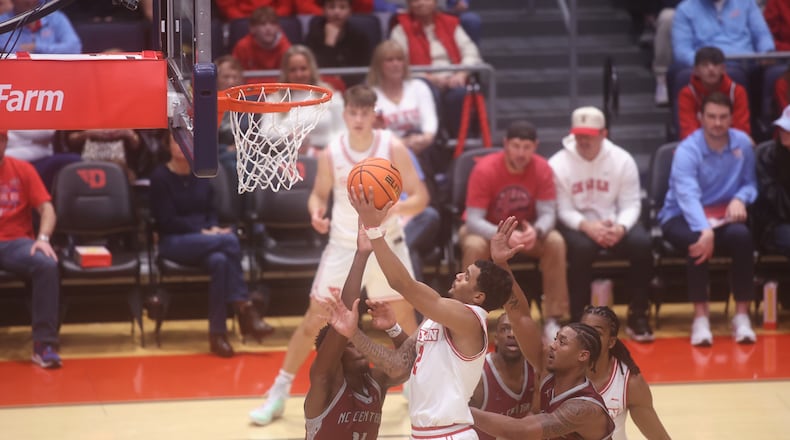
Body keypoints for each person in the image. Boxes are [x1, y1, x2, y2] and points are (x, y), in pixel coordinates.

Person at [248, 84, 429, 426]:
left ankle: (417, 387)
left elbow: (421, 198)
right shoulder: (331, 152)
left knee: (406, 321)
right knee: (314, 320)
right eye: (353, 112)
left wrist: (393, 208)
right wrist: (315, 212)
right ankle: (279, 391)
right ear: (345, 114)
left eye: (365, 112)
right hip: (344, 246)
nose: (359, 118)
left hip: (386, 245)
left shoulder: (393, 147)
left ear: (375, 114)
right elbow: (317, 196)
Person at [317, 184, 514, 440]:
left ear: (479, 297)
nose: (458, 275)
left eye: (466, 277)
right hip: (424, 434)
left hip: (451, 434)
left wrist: (374, 229)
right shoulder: (437, 319)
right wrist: (385, 330)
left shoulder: (470, 319)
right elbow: (397, 367)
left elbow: (404, 285)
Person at [470, 216, 615, 440]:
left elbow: (520, 431)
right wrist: (500, 265)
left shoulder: (583, 408)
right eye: (556, 339)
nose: (553, 345)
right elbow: (520, 318)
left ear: (582, 355)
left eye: (562, 342)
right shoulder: (549, 371)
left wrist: (458, 408)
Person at [149, 132, 274, 358]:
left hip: (206, 241)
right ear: (167, 145)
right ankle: (244, 308)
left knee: (220, 261)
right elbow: (166, 221)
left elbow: (211, 211)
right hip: (173, 242)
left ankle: (218, 336)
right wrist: (204, 232)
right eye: (175, 141)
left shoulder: (201, 175)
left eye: (185, 141)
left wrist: (212, 229)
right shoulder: (160, 177)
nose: (180, 146)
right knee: (229, 240)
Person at [658, 92, 758, 347]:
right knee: (697, 242)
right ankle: (700, 318)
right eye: (711, 116)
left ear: (731, 118)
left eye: (723, 117)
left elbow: (751, 183)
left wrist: (740, 198)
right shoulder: (687, 150)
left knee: (743, 237)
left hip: (723, 215)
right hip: (680, 215)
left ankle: (742, 316)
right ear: (701, 117)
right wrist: (704, 228)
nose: (717, 122)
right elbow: (687, 195)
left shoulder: (743, 144)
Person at [548, 106, 655, 342]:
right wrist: (587, 226)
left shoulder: (622, 160)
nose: (583, 140)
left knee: (642, 244)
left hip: (614, 221)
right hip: (579, 225)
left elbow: (632, 204)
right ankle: (579, 320)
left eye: (589, 134)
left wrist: (621, 227)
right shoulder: (558, 163)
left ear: (603, 133)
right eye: (579, 134)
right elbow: (562, 209)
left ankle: (638, 314)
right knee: (581, 249)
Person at [462, 120, 569, 343]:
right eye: (516, 146)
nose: (521, 153)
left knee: (555, 241)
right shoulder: (485, 169)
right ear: (506, 145)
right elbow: (473, 220)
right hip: (488, 231)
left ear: (535, 146)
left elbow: (548, 212)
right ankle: (468, 316)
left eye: (527, 147)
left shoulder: (542, 168)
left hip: (525, 233)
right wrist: (502, 235)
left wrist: (538, 230)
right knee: (472, 245)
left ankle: (552, 320)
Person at [305, 224, 408, 439]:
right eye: (351, 345)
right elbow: (344, 322)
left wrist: (393, 329)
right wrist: (361, 255)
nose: (360, 349)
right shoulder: (325, 384)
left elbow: (410, 365)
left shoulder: (377, 381)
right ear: (336, 355)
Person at [0, 130, 62, 369]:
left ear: (6, 142)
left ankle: (43, 345)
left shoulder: (23, 169)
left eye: (1, 139)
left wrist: (44, 238)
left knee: (46, 263)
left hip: (18, 243)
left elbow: (47, 209)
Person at [390, 0, 483, 137]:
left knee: (460, 94)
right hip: (420, 81)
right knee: (427, 92)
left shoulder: (450, 23)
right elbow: (399, 63)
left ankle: (460, 145)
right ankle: (437, 142)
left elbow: (471, 52)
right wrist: (430, 78)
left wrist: (462, 74)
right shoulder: (400, 29)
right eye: (414, 1)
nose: (420, 3)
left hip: (453, 79)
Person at [581, 306, 672, 440]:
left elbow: (659, 438)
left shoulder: (629, 383)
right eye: (583, 332)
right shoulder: (558, 370)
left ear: (611, 342)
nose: (588, 338)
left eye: (597, 333)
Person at [367, 40, 439, 174]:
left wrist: (426, 138)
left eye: (399, 59)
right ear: (379, 65)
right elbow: (375, 132)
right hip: (386, 153)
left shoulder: (419, 87)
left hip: (421, 149)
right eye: (389, 60)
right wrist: (401, 144)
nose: (395, 64)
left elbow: (430, 121)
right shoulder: (370, 95)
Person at [469, 313, 538, 440]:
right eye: (504, 329)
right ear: (495, 338)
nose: (511, 334)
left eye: (518, 329)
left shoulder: (536, 371)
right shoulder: (478, 375)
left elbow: (537, 414)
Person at [278, 45, 345, 155]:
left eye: (303, 68)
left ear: (311, 69)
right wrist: (289, 135)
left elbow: (343, 130)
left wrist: (323, 152)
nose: (298, 74)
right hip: (287, 157)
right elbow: (266, 131)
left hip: (328, 155)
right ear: (286, 72)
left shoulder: (328, 94)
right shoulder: (276, 98)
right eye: (293, 70)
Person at [676, 47, 751, 140]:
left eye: (715, 64)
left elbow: (741, 129)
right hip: (697, 148)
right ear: (696, 71)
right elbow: (688, 131)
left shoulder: (737, 91)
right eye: (705, 65)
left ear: (723, 69)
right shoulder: (687, 93)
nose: (711, 69)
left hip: (731, 146)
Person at [305, 0, 371, 86]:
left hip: (352, 85)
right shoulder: (314, 35)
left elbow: (363, 69)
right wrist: (329, 43)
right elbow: (315, 67)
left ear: (350, 11)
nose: (337, 12)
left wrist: (342, 81)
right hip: (321, 84)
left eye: (342, 7)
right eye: (332, 7)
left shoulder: (359, 36)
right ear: (324, 11)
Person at [755, 105, 790, 257]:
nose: (784, 132)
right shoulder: (766, 156)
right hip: (775, 223)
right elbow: (775, 202)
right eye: (782, 127)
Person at [0, 0, 82, 54]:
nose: (29, 1)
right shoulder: (3, 22)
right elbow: (6, 51)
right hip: (19, 72)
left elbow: (74, 47)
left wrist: (36, 47)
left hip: (54, 72)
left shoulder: (56, 17)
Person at [232, 6, 291, 71]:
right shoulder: (242, 47)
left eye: (272, 24)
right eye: (263, 24)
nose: (268, 28)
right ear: (252, 28)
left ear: (278, 27)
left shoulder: (286, 49)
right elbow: (234, 74)